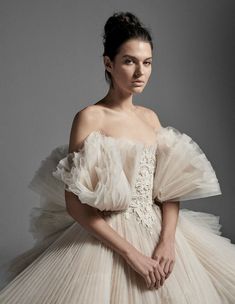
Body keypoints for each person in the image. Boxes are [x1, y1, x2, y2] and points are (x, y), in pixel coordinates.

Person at [0, 11, 235, 304]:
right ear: (108, 63)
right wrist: (131, 254)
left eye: (147, 63)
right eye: (129, 61)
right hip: (108, 240)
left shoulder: (151, 118)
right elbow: (75, 204)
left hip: (160, 235)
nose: (140, 72)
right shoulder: (90, 117)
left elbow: (170, 188)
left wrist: (168, 242)